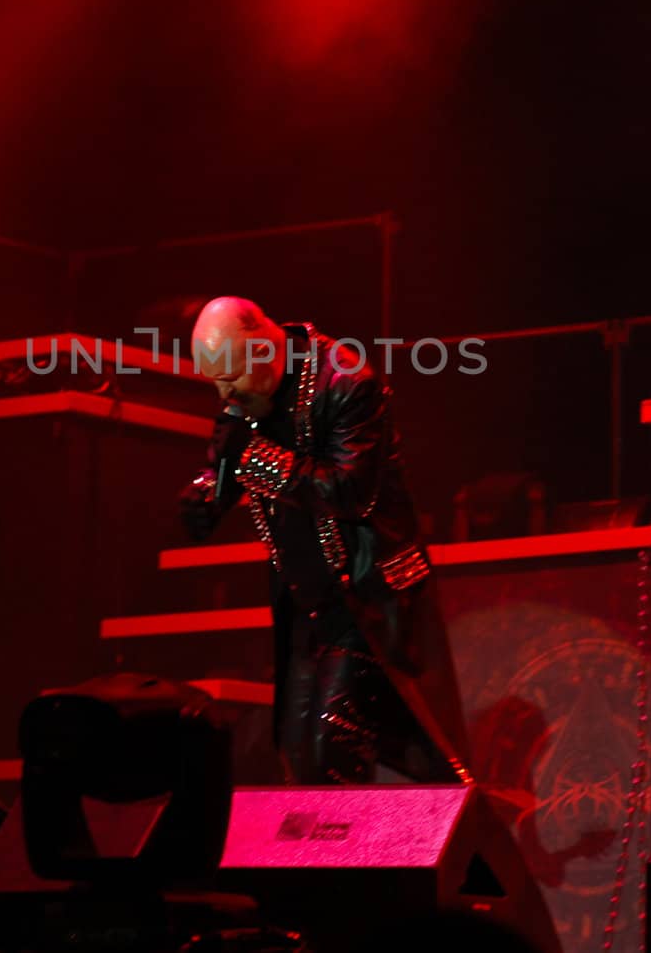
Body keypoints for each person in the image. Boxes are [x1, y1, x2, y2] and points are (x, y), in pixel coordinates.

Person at [178, 297, 470, 785]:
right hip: (306, 600)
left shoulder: (348, 381)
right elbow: (231, 458)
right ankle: (329, 860)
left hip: (368, 597)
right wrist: (208, 494)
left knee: (329, 741)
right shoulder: (249, 391)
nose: (224, 396)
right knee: (297, 754)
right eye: (215, 383)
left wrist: (252, 457)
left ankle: (362, 857)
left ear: (262, 350)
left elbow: (349, 491)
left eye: (230, 379)